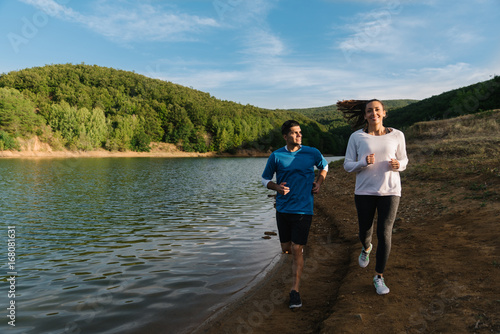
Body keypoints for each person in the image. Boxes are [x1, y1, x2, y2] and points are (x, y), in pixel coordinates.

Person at [338, 99, 408, 295]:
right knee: (364, 231)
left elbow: (404, 160)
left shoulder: (397, 135)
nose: (373, 113)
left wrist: (399, 166)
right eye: (369, 111)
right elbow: (347, 165)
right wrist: (362, 162)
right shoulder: (357, 137)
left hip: (390, 190)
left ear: (384, 113)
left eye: (377, 110)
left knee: (385, 232)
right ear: (365, 115)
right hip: (364, 191)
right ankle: (366, 247)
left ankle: (379, 276)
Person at [261, 120, 329, 309]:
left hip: (303, 209)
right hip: (282, 209)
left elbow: (325, 166)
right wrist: (276, 187)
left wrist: (319, 182)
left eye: (300, 132)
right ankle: (297, 256)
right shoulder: (276, 156)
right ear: (285, 136)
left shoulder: (312, 152)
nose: (299, 135)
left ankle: (295, 291)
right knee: (286, 248)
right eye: (294, 133)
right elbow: (264, 178)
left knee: (297, 249)